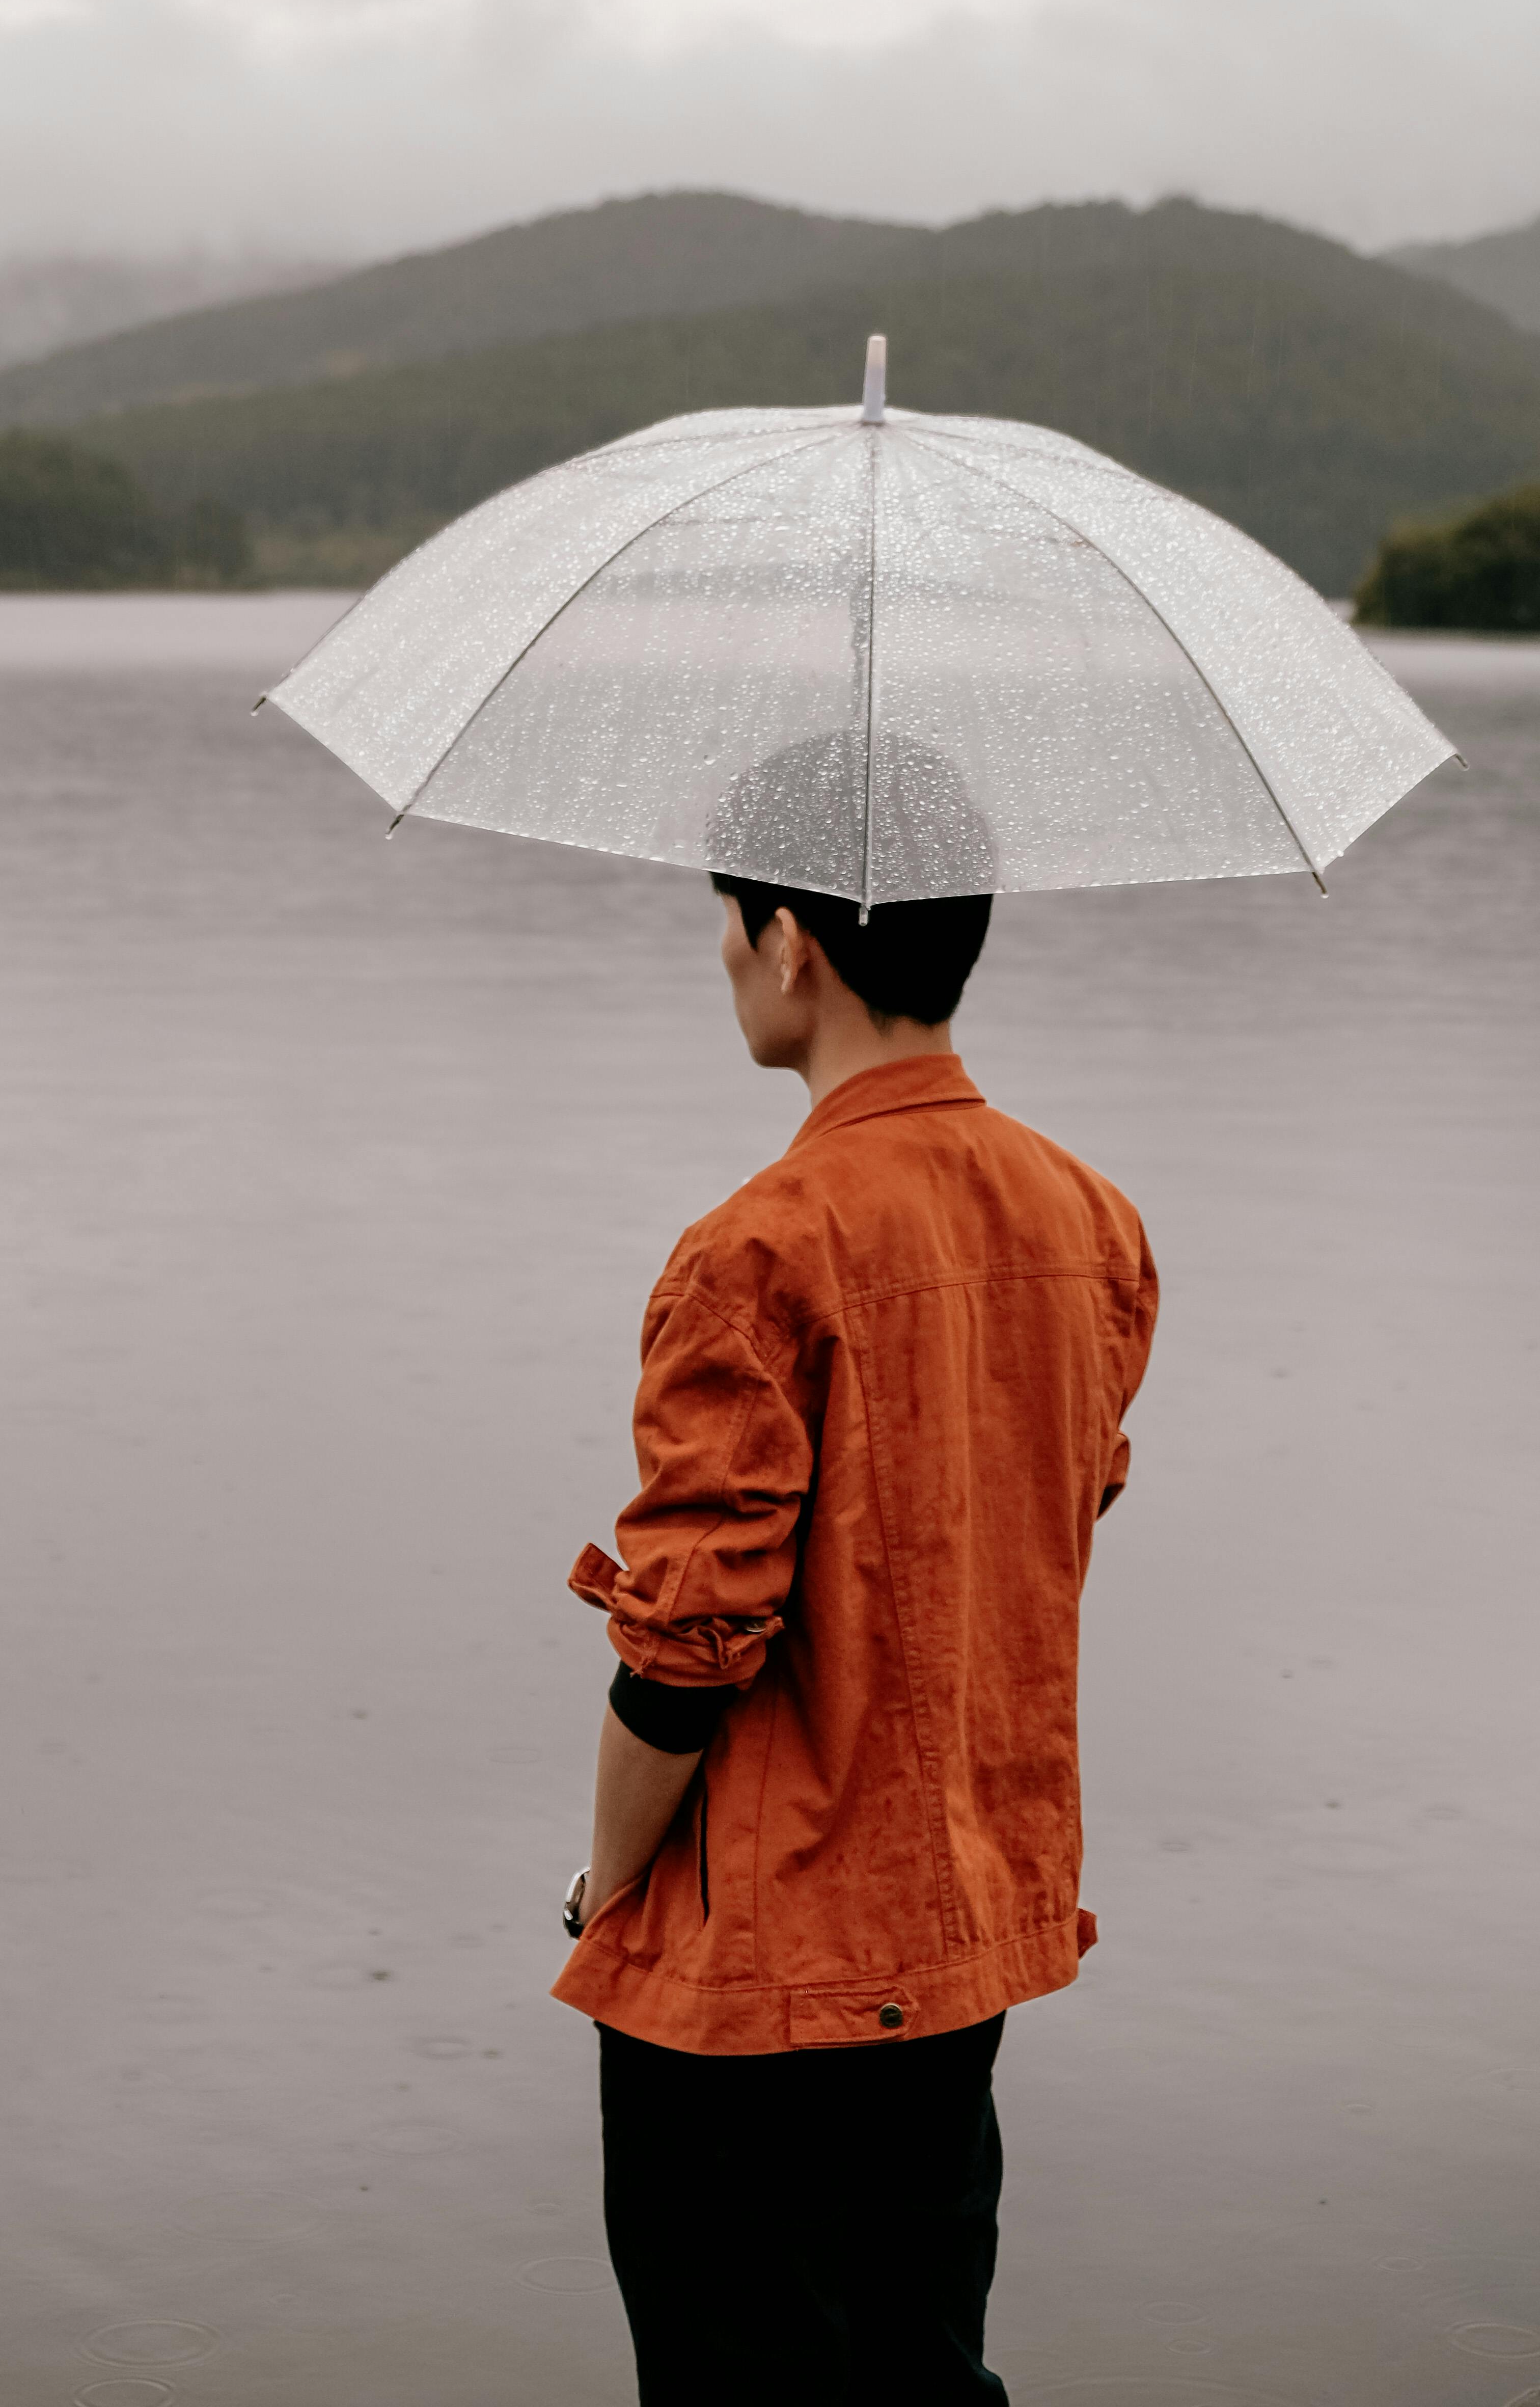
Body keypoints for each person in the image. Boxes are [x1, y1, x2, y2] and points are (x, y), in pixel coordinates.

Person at [554, 873, 1156, 2404]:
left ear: (791, 942)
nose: (725, 957)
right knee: (923, 2369)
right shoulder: (1092, 1223)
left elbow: (691, 1643)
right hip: (956, 1934)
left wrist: (611, 1886)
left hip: (761, 1971)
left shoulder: (755, 1252)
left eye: (726, 921)